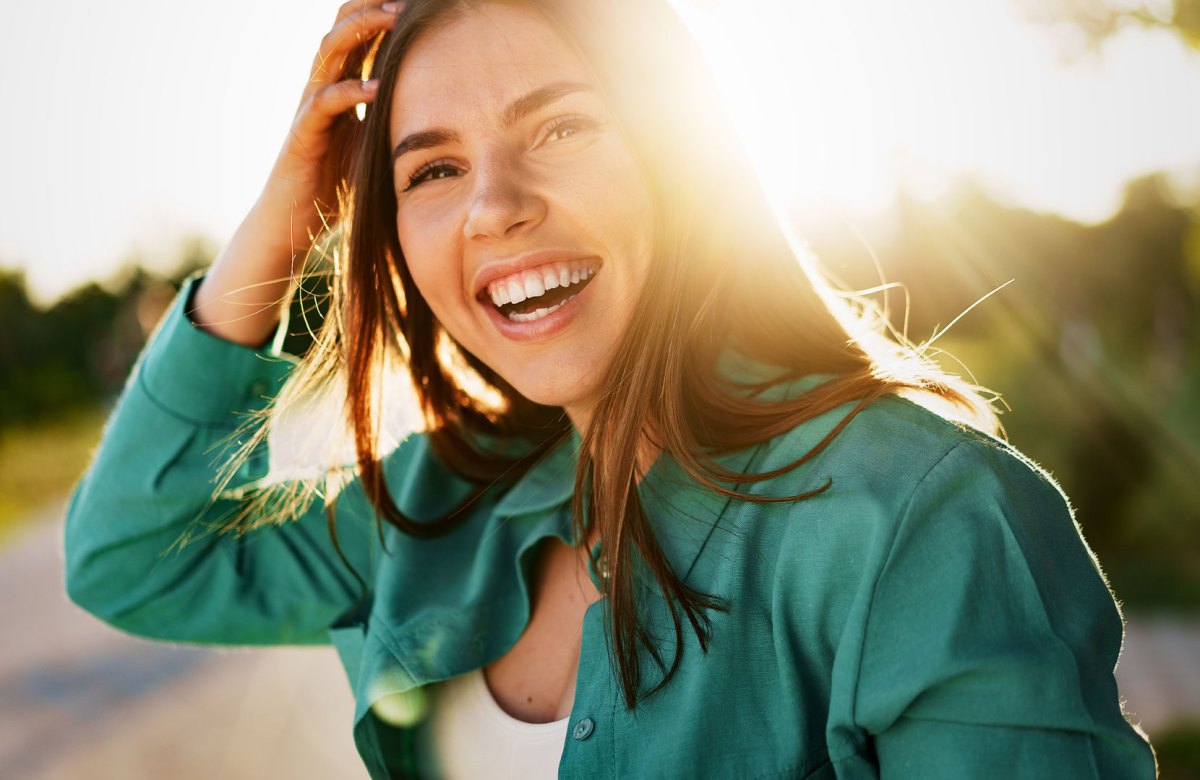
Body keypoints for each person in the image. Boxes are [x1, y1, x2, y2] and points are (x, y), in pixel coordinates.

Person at [64, 0, 1157, 777]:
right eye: (430, 169)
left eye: (562, 127)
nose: (494, 204)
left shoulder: (927, 521)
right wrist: (282, 215)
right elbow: (130, 559)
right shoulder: (437, 501)